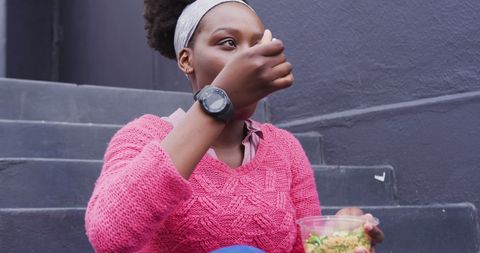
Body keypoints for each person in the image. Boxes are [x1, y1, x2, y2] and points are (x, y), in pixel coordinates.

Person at [84, 0, 384, 252]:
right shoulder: (144, 137)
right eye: (228, 43)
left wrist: (336, 237)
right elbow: (108, 236)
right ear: (186, 60)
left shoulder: (286, 148)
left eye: (257, 45)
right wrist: (219, 102)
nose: (248, 58)